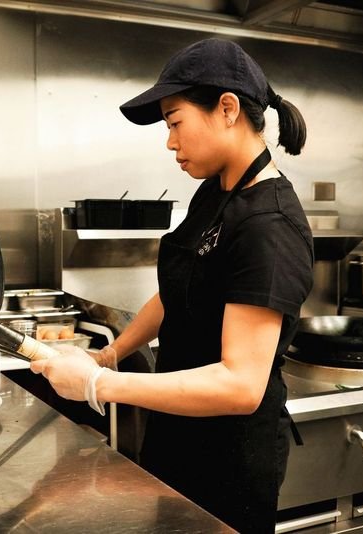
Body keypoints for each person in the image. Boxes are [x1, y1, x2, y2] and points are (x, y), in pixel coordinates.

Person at [30, 38, 314, 533]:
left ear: (227, 109)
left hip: (227, 465)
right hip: (176, 434)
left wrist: (99, 385)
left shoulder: (269, 225)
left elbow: (241, 385)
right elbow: (175, 292)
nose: (170, 142)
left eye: (175, 122)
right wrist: (108, 355)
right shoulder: (214, 193)